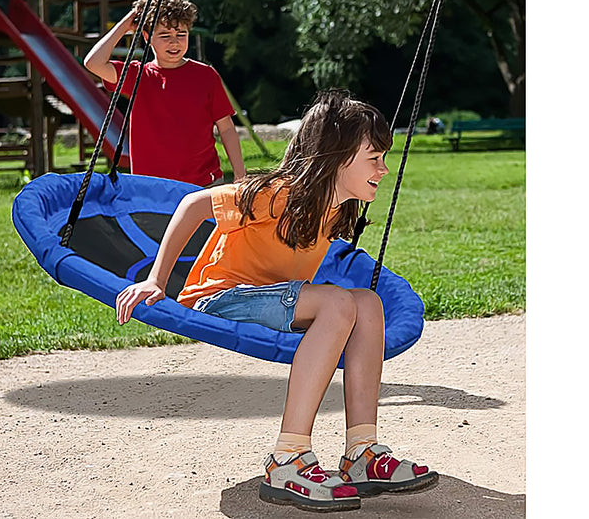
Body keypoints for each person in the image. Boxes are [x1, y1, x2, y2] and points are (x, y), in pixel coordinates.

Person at [115, 90, 438, 512]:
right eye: (374, 158)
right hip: (219, 298)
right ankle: (289, 458)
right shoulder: (278, 194)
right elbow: (192, 205)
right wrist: (156, 282)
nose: (384, 168)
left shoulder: (338, 207)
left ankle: (361, 451)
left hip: (270, 300)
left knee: (367, 303)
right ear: (335, 158)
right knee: (338, 304)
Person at [84, 0, 246, 187]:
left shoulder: (206, 75)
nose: (174, 42)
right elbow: (93, 63)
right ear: (146, 37)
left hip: (204, 185)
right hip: (151, 189)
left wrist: (240, 175)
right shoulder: (137, 75)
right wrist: (126, 24)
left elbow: (226, 128)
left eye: (181, 34)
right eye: (165, 35)